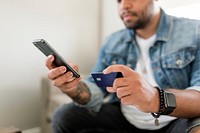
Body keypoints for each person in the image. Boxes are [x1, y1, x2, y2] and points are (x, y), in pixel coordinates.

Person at [45, 0, 200, 132]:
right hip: (125, 119)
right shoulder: (112, 42)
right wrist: (72, 88)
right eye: (119, 0)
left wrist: (155, 98)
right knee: (65, 116)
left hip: (175, 120)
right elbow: (95, 89)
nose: (124, 5)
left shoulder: (194, 31)